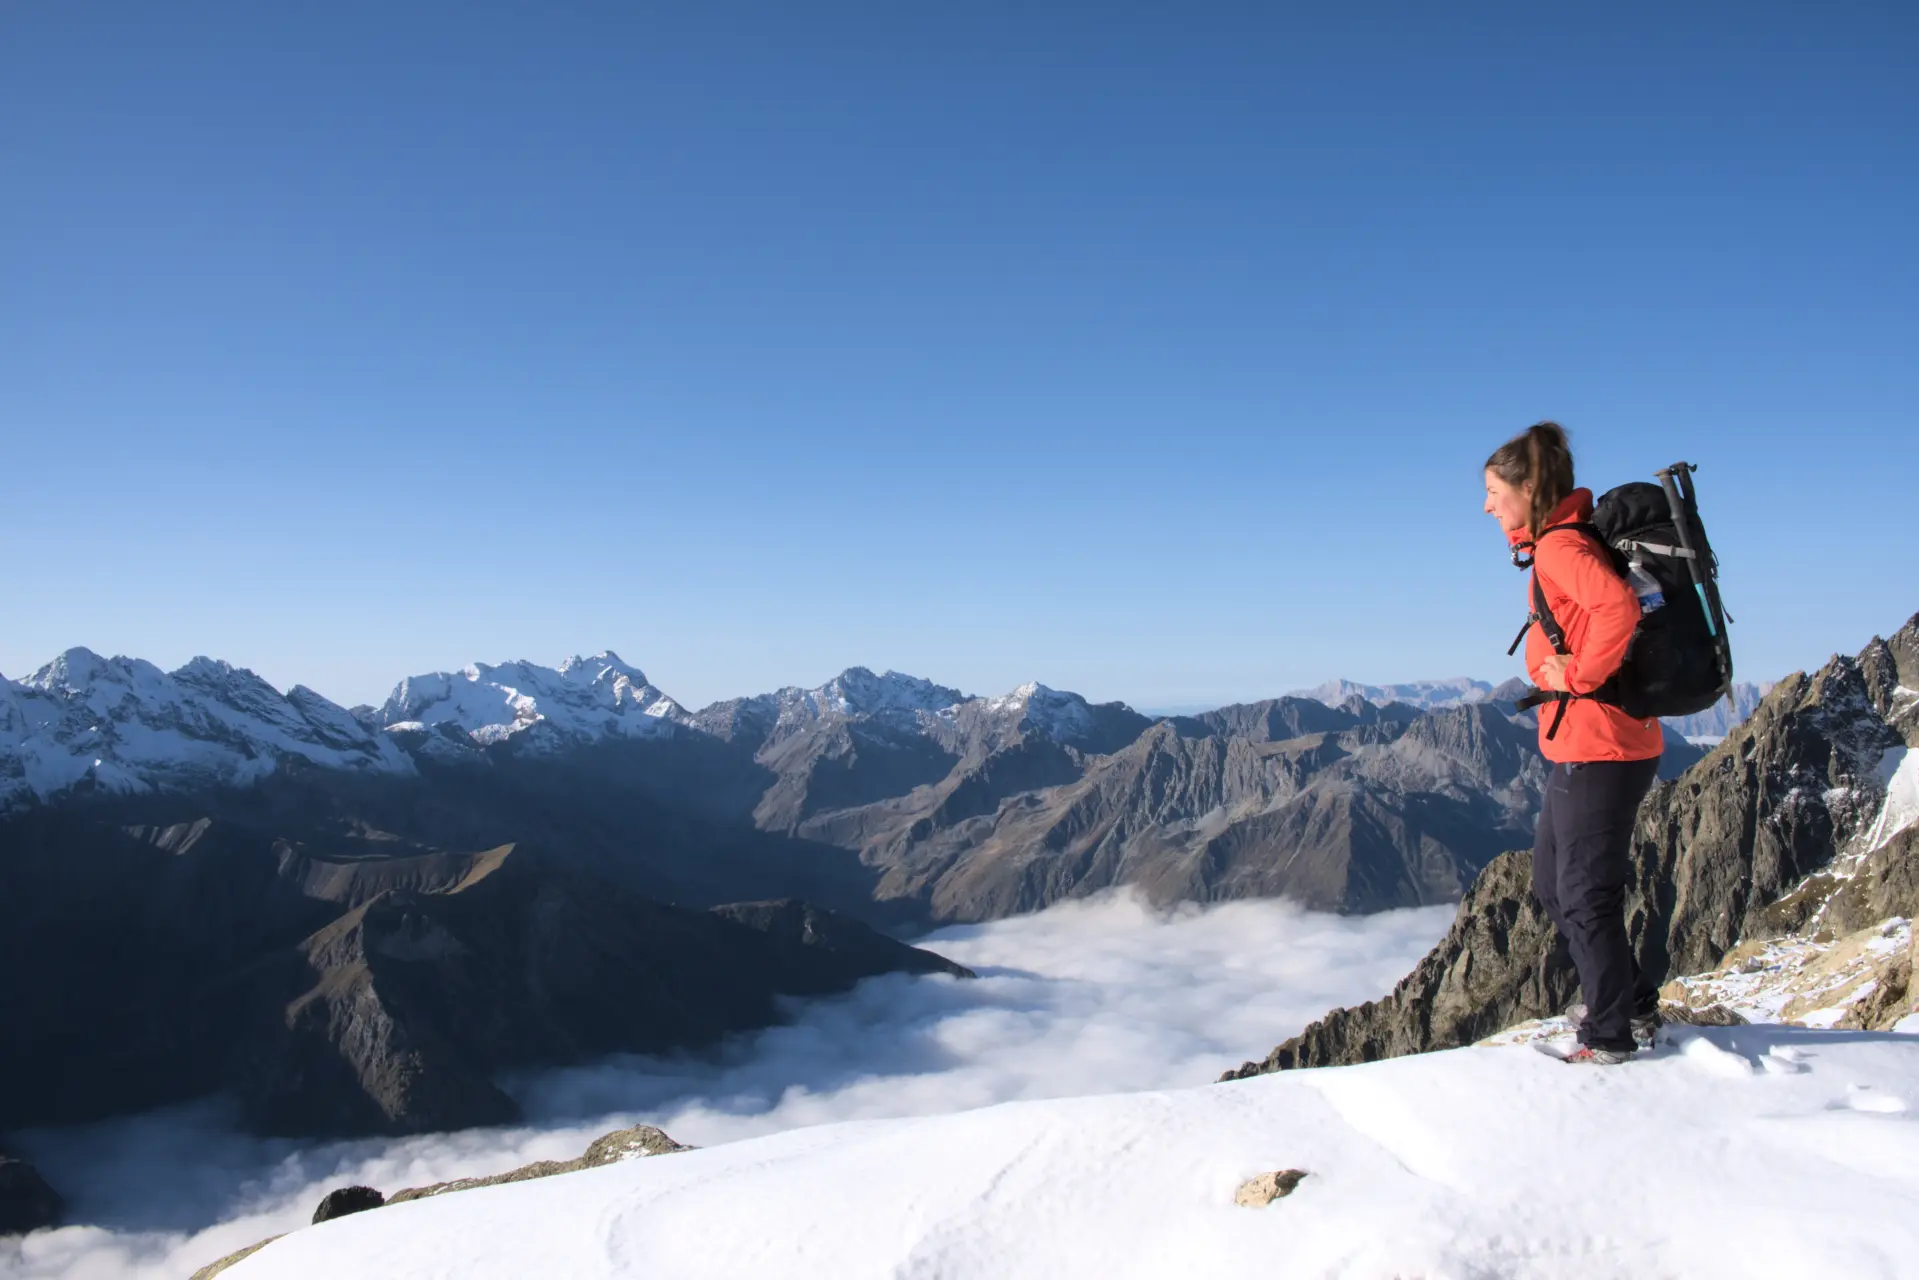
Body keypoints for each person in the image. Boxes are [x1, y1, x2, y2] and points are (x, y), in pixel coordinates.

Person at [1483, 421, 1663, 1065]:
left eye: (1495, 492)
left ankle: (1609, 1036)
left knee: (1586, 895)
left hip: (1602, 746)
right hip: (1586, 746)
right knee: (1555, 885)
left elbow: (1618, 608)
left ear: (1529, 489)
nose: (1487, 506)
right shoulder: (1562, 542)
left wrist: (1579, 676)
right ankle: (1631, 999)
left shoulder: (1562, 548)